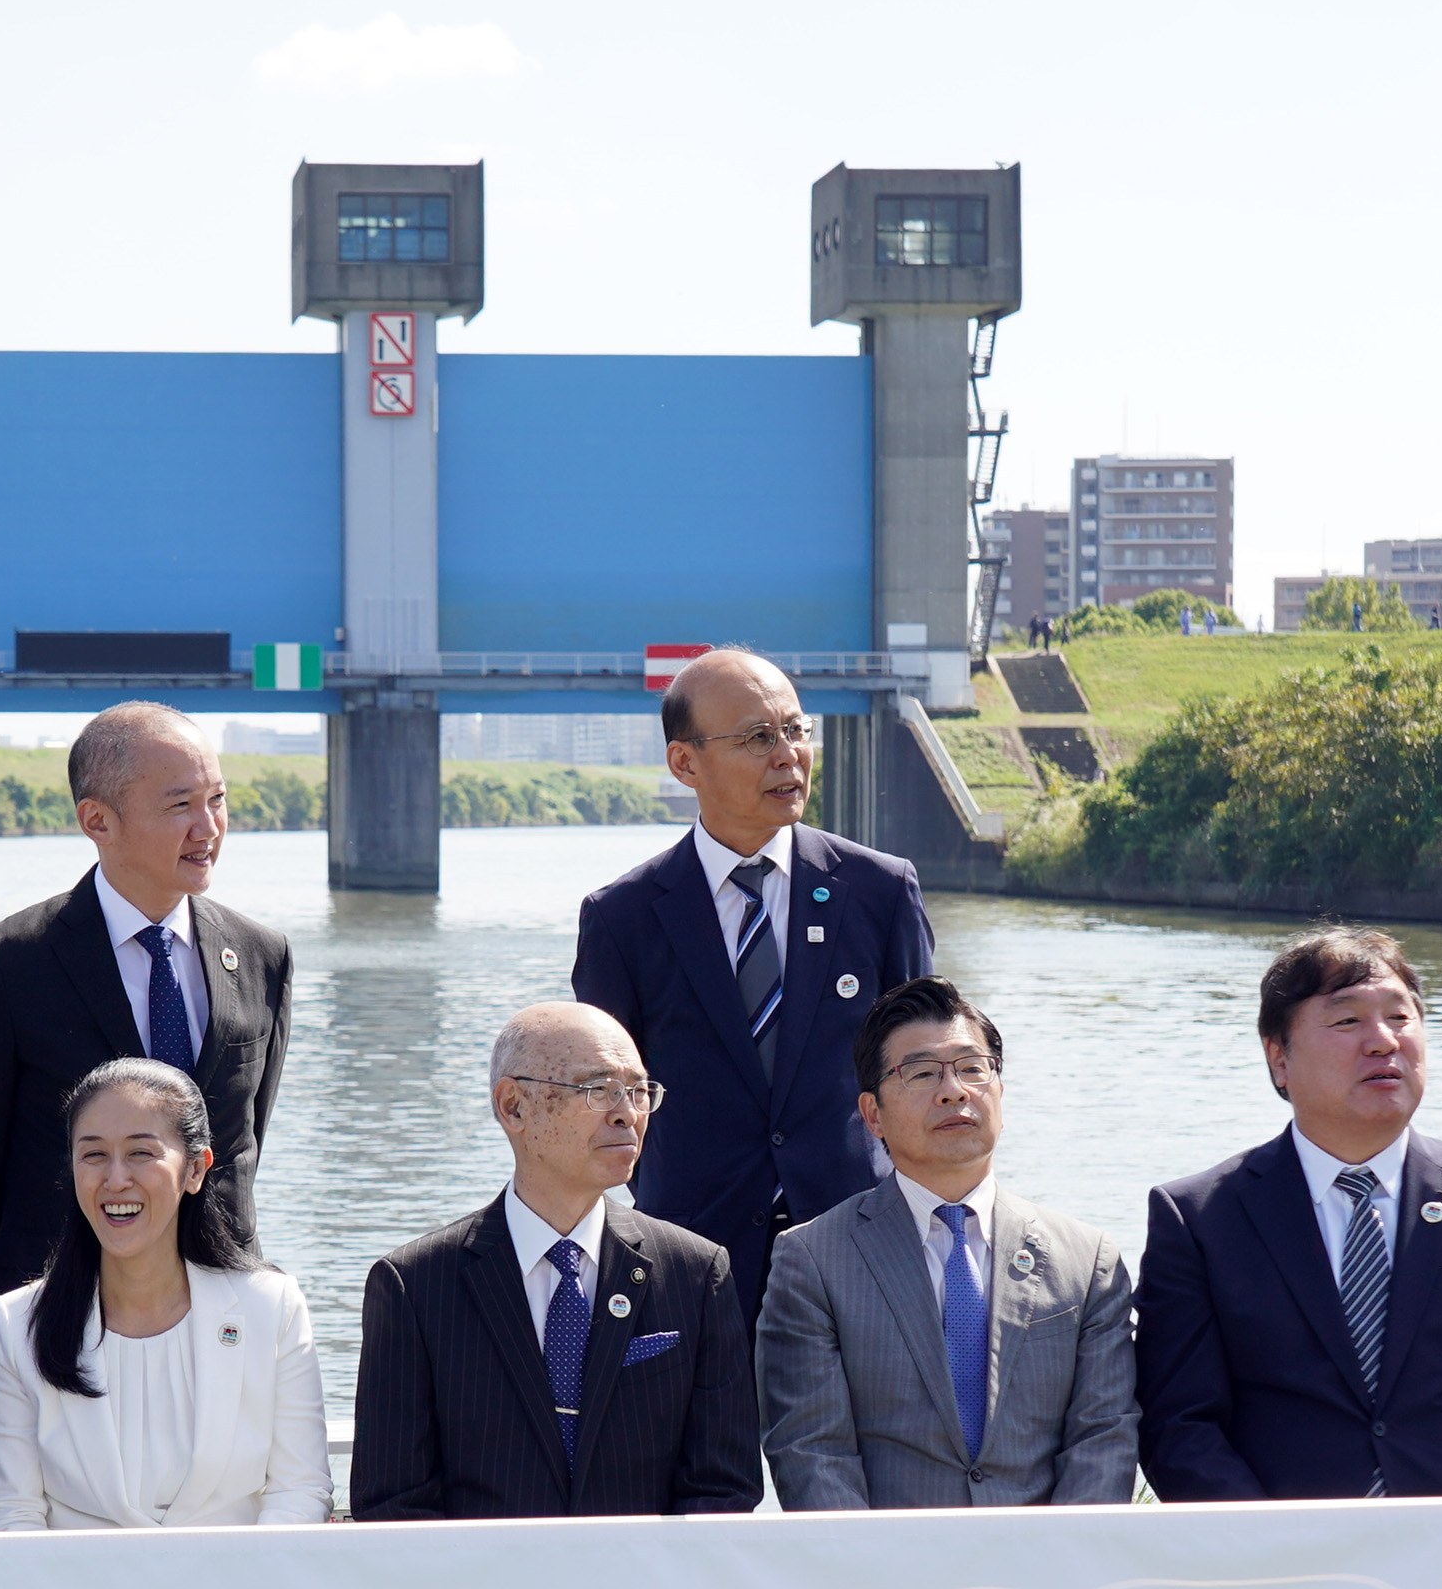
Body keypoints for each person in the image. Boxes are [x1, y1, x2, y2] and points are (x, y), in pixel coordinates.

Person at [1134, 926, 1442, 1500]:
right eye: (1347, 1021)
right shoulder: (1200, 1218)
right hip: (1279, 1565)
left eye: (1400, 1018)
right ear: (1279, 1058)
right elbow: (1178, 1428)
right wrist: (1278, 1550)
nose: (1383, 1042)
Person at [569, 647, 934, 1318]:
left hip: (861, 1252)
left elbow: (922, 1068)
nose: (788, 755)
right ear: (685, 763)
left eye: (796, 731)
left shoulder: (879, 893)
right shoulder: (622, 918)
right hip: (687, 1259)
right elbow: (604, 1096)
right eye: (758, 738)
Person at [0, 703, 293, 1325]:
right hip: (62, 1318)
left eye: (217, 799)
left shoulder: (262, 955)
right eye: (180, 805)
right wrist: (11, 1325)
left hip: (223, 1312)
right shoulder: (8, 964)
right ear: (97, 820)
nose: (208, 827)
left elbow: (240, 1146)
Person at [350, 1002, 757, 1520]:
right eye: (598, 1089)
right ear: (513, 1106)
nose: (626, 1113)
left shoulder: (695, 1274)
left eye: (638, 1091)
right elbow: (392, 1503)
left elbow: (723, 1490)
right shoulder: (415, 1285)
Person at [757, 977, 1136, 1508]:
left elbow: (1104, 1437)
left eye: (972, 1068)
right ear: (872, 1115)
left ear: (1000, 1091)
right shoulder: (814, 1261)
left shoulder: (1086, 1260)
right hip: (889, 1575)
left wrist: (1056, 1571)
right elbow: (811, 1452)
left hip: (1048, 1573)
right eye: (921, 1072)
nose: (953, 1090)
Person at [0, 1061, 330, 1530]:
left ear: (196, 1169)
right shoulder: (16, 1324)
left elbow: (299, 1491)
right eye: (93, 1155)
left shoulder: (271, 1307)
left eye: (141, 1153)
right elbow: (8, 1514)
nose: (116, 1179)